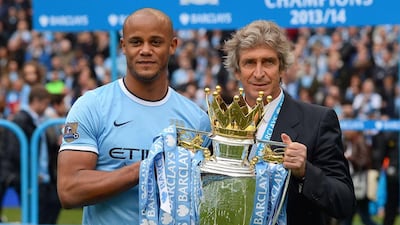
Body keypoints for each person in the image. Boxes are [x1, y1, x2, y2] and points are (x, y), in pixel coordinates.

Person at [56, 8, 211, 225]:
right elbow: (69, 190)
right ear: (123, 46)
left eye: (155, 42)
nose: (145, 50)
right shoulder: (92, 106)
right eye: (136, 42)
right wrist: (148, 168)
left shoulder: (197, 119)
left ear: (173, 46)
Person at [222, 20, 356, 225]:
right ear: (237, 71)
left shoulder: (318, 120)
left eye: (268, 62)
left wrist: (305, 172)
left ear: (282, 68)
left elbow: (344, 202)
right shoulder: (217, 122)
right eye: (250, 63)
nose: (259, 73)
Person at [1, 84, 61, 224]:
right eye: (45, 103)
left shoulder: (41, 120)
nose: (47, 107)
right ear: (36, 101)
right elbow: (15, 151)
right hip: (29, 176)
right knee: (38, 213)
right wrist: (32, 172)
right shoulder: (21, 120)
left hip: (43, 175)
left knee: (52, 204)